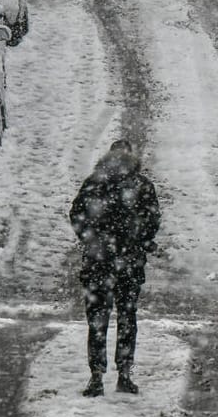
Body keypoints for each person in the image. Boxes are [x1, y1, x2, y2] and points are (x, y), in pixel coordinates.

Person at [69, 139, 161, 396]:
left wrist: (91, 240)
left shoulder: (94, 183)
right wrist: (139, 240)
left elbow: (76, 214)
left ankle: (97, 375)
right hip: (128, 265)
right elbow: (153, 220)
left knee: (98, 320)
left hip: (99, 264)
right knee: (126, 319)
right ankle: (124, 373)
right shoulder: (141, 185)